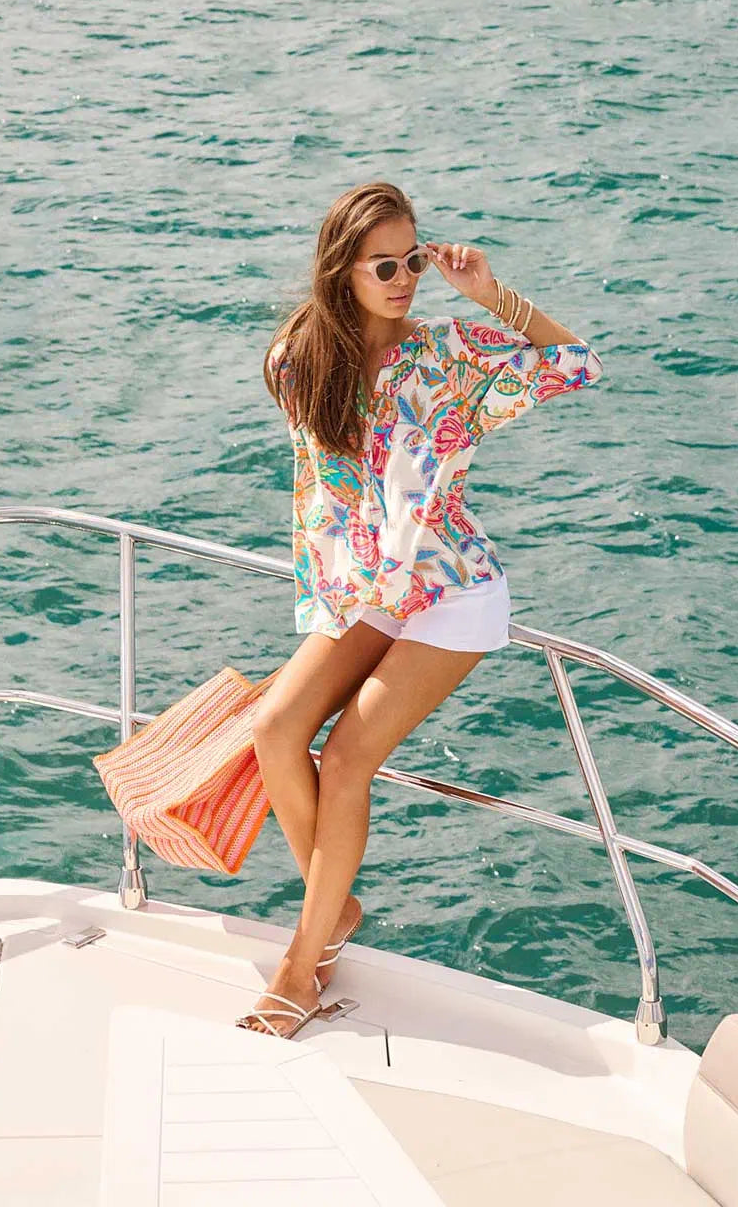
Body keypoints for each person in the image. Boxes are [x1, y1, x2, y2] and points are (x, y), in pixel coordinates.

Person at [237, 180, 603, 1038]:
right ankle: (338, 910)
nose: (405, 278)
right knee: (274, 732)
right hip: (373, 593)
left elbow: (578, 363)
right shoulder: (300, 360)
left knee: (348, 759)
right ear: (344, 270)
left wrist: (490, 294)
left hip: (453, 593)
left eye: (413, 260)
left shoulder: (446, 356)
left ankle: (301, 966)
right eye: (384, 266)